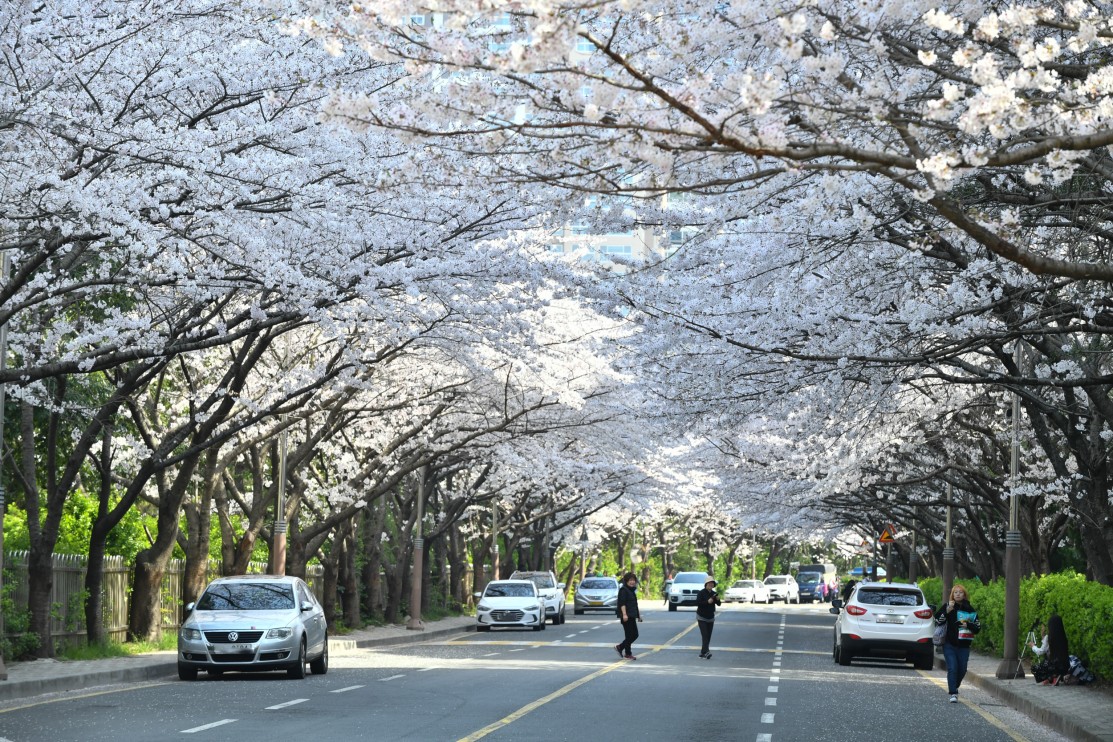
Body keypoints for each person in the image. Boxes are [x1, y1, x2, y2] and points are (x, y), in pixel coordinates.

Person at [934, 584, 981, 703]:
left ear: (964, 595)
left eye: (960, 592)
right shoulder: (948, 606)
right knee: (952, 667)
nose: (958, 594)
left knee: (962, 669)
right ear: (952, 595)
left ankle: (954, 685)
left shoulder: (969, 609)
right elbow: (937, 621)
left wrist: (968, 625)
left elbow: (977, 628)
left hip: (964, 645)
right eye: (955, 592)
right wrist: (946, 611)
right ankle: (953, 693)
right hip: (949, 643)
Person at [1031, 614, 1070, 685]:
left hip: (1053, 667)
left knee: (1035, 668)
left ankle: (1052, 677)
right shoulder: (1063, 637)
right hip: (1065, 666)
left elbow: (1040, 651)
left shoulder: (1049, 638)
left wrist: (1033, 646)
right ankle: (1054, 677)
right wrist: (1043, 636)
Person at [614, 572, 643, 660]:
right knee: (631, 635)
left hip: (632, 615)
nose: (632, 582)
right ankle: (625, 651)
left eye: (633, 580)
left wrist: (639, 615)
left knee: (633, 635)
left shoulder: (632, 590)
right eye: (630, 580)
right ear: (626, 581)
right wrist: (624, 614)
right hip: (626, 616)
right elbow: (622, 604)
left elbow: (635, 604)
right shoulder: (623, 590)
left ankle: (623, 649)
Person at [696, 576, 722, 659]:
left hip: (710, 617)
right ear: (706, 584)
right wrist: (707, 602)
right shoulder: (701, 593)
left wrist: (717, 599)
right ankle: (707, 652)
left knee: (708, 636)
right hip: (701, 617)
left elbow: (719, 604)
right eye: (709, 583)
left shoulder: (713, 593)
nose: (711, 584)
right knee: (705, 635)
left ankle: (702, 652)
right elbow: (698, 603)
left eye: (712, 583)